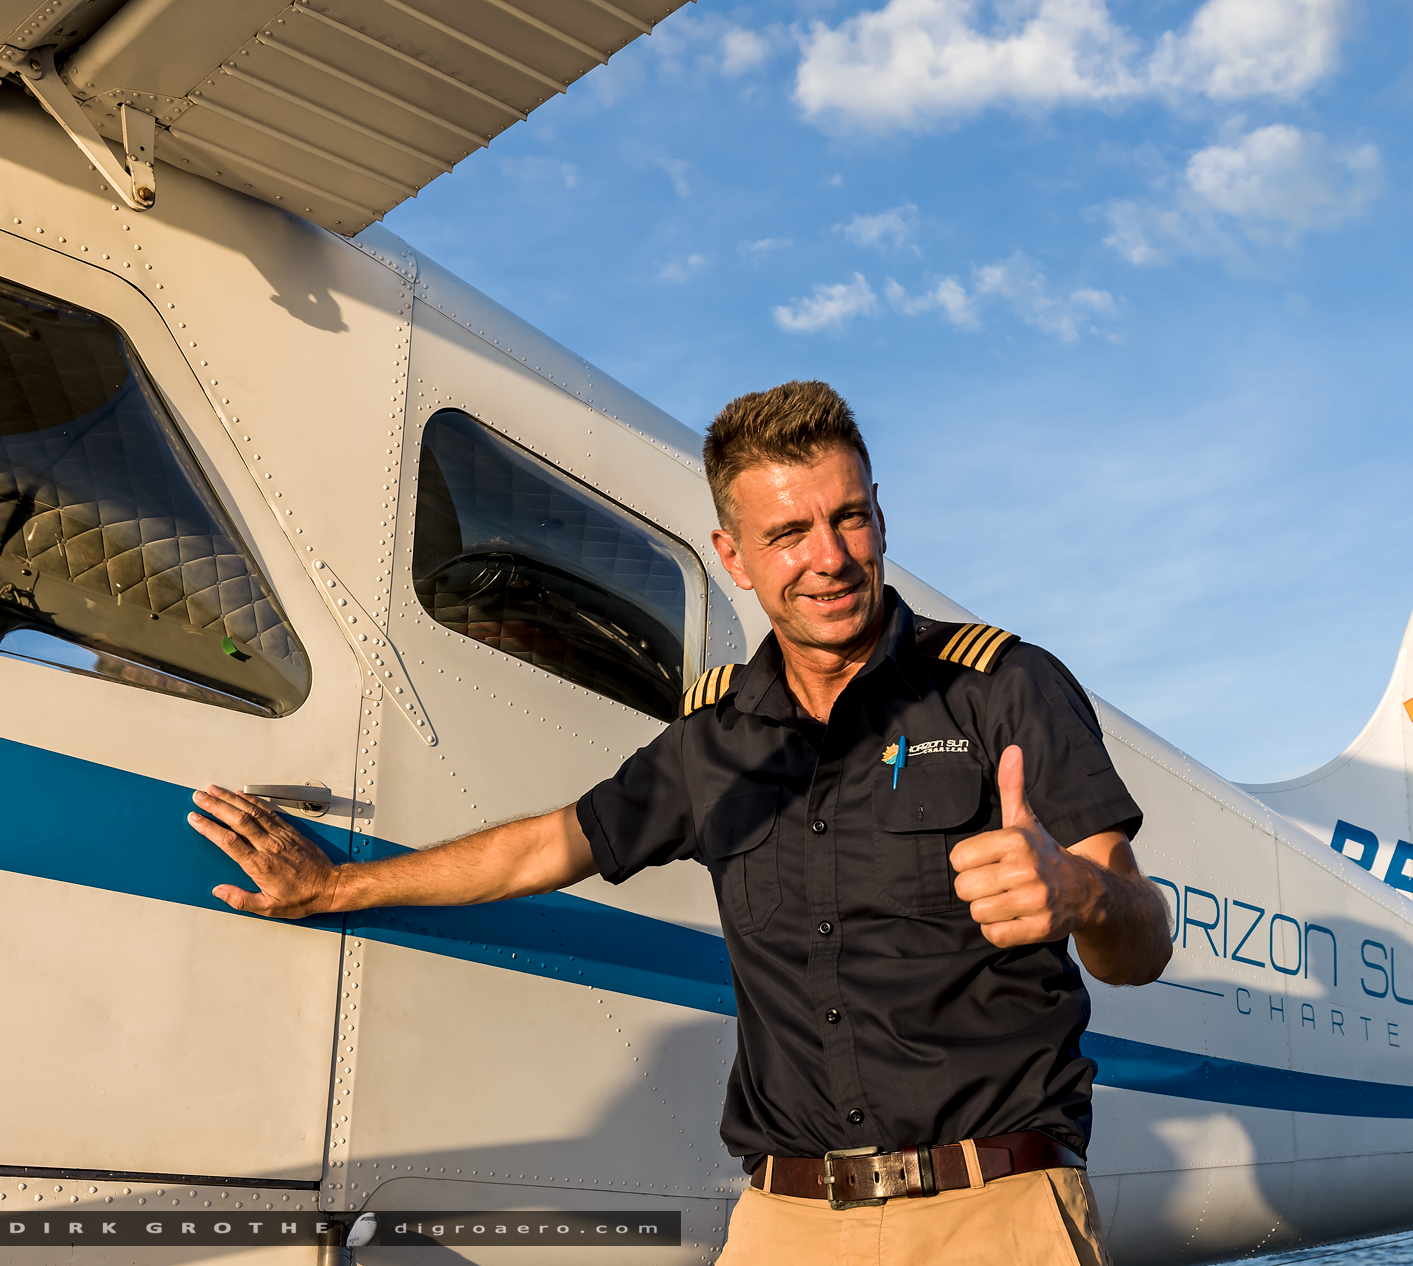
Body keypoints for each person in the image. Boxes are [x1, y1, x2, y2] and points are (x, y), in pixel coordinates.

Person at [189, 380, 1173, 1265]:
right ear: (734, 557)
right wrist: (333, 886)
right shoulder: (714, 738)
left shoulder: (1002, 686)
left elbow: (1140, 944)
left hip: (993, 1213)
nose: (827, 559)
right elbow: (547, 844)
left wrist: (1083, 893)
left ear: (879, 518)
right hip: (788, 1221)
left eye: (851, 519)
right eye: (788, 535)